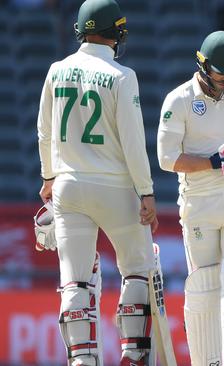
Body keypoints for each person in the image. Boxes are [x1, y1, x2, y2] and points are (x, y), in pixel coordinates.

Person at [36, 0, 159, 364]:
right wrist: (146, 191)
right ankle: (134, 355)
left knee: (75, 280)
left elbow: (44, 132)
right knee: (137, 269)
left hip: (69, 185)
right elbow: (134, 142)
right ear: (116, 32)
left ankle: (82, 358)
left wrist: (47, 177)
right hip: (115, 186)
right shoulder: (122, 75)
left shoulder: (56, 69)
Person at [157, 30, 224, 366]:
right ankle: (210, 361)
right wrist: (212, 163)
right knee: (206, 283)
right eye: (219, 77)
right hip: (199, 201)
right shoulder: (179, 100)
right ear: (202, 66)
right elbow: (166, 159)